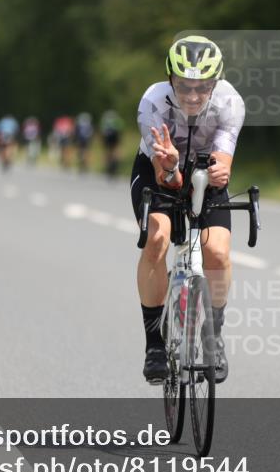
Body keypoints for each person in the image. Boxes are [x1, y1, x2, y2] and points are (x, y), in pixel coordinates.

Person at [132, 35, 244, 385]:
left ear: (215, 83)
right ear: (170, 80)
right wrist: (168, 166)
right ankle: (154, 344)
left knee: (217, 253)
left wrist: (221, 172)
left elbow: (222, 161)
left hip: (204, 169)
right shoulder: (152, 103)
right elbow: (168, 180)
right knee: (159, 239)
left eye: (202, 87)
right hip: (157, 169)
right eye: (184, 86)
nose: (193, 96)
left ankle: (213, 335)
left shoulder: (230, 102)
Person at [100, 109, 124, 178]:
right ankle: (116, 164)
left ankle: (107, 167)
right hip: (115, 136)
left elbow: (102, 130)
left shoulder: (105, 120)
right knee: (116, 150)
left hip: (107, 137)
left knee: (107, 151)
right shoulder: (116, 119)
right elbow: (121, 128)